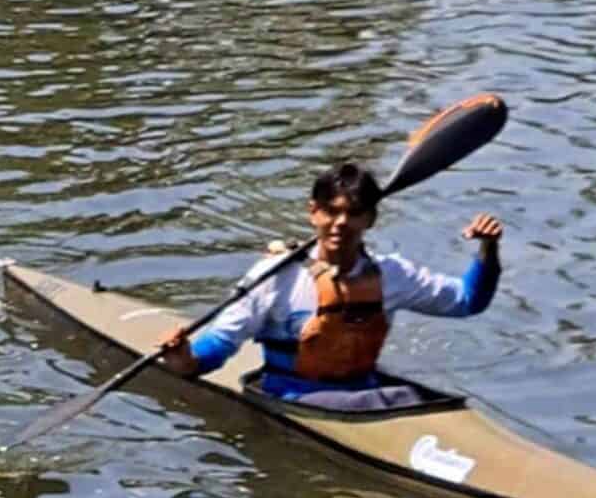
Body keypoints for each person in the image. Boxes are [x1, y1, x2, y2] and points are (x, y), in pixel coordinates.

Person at [159, 162, 506, 411]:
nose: (341, 223)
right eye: (331, 211)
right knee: (393, 399)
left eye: (354, 213)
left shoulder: (392, 274)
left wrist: (488, 249)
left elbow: (467, 301)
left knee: (406, 398)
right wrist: (185, 359)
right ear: (314, 213)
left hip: (365, 397)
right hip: (296, 398)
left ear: (370, 219)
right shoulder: (274, 277)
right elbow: (218, 346)